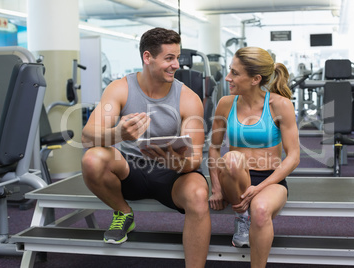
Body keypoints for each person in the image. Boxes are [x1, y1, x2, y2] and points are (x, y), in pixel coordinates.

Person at [81, 27, 210, 268]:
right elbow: (88, 135)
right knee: (92, 158)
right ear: (147, 57)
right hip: (130, 171)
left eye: (177, 58)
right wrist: (117, 133)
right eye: (169, 58)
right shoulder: (120, 88)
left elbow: (193, 160)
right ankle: (123, 212)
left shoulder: (188, 98)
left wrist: (176, 162)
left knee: (199, 194)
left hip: (173, 173)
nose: (176, 65)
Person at [208, 47, 300, 267]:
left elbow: (293, 156)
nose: (228, 78)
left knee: (259, 211)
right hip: (233, 178)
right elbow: (213, 148)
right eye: (230, 71)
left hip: (270, 180)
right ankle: (242, 217)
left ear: (255, 79)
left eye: (235, 73)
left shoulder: (280, 105)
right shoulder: (226, 103)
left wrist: (260, 188)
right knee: (232, 158)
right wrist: (217, 188)